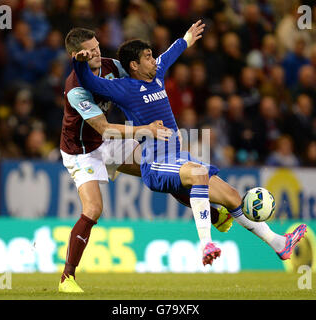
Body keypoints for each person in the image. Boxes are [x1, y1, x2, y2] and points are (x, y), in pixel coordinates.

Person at [73, 19, 307, 284]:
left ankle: (279, 244)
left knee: (231, 196)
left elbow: (171, 53)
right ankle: (207, 244)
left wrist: (186, 37)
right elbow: (89, 82)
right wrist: (79, 62)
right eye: (148, 57)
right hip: (156, 163)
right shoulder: (124, 89)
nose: (154, 60)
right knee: (198, 174)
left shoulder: (157, 74)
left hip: (179, 158)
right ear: (134, 66)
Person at [59, 27, 233, 293]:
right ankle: (67, 278)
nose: (96, 53)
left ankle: (212, 215)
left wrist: (184, 41)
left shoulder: (113, 66)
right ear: (76, 54)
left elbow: (149, 70)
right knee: (93, 209)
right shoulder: (75, 88)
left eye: (97, 47)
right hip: (82, 150)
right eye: (90, 50)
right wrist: (146, 130)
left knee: (162, 169)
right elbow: (104, 128)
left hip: (111, 144)